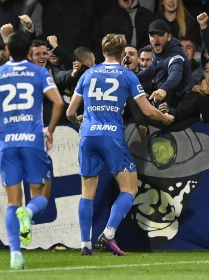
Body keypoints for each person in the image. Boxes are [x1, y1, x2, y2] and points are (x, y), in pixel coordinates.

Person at [66, 33, 174, 256]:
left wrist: (79, 120)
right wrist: (165, 118)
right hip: (112, 136)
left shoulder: (88, 74)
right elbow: (147, 110)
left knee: (87, 194)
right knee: (129, 188)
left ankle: (85, 244)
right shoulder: (127, 75)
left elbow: (70, 111)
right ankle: (108, 233)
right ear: (123, 53)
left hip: (88, 136)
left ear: (103, 51)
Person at [0, 30, 64, 269]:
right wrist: (51, 129)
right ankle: (30, 213)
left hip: (8, 144)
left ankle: (15, 255)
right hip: (32, 141)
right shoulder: (39, 72)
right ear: (29, 52)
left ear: (6, 51)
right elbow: (58, 102)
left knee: (12, 202)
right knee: (41, 196)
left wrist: (2, 115)